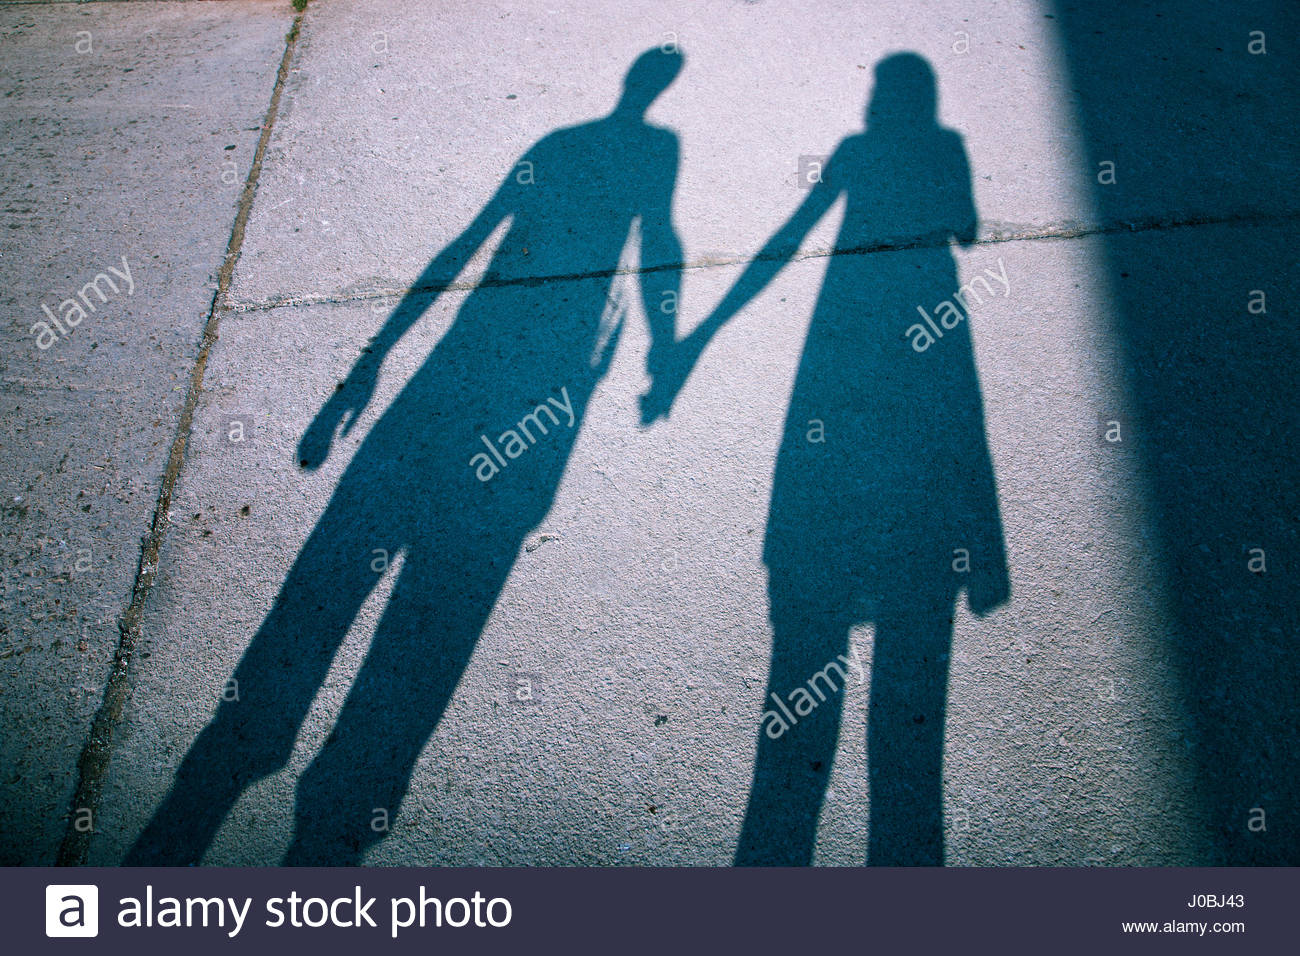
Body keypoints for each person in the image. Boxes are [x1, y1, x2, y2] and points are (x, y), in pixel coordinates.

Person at [127, 47, 686, 865]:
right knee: (452, 591)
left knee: (345, 558)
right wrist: (665, 347)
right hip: (547, 377)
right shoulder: (654, 149)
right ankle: (348, 798)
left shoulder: (560, 143)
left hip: (470, 360)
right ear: (657, 88)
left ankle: (244, 751)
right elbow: (657, 239)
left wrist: (374, 357)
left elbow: (467, 245)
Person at [643, 52, 1009, 865]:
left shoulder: (852, 150)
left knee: (804, 651)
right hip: (925, 321)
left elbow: (788, 237)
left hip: (841, 337)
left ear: (880, 100)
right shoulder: (943, 146)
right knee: (916, 681)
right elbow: (968, 228)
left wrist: (696, 339)